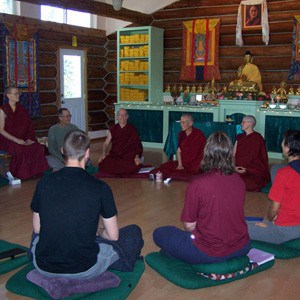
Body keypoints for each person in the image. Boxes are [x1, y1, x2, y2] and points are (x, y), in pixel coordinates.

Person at [30, 130, 143, 279]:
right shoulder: (101, 187)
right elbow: (113, 236)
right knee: (133, 232)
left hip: (43, 266)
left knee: (37, 236)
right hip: (84, 269)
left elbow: (38, 228)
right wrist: (98, 232)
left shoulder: (43, 183)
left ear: (63, 151)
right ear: (87, 153)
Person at [153, 132, 250, 264]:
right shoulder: (239, 181)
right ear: (230, 153)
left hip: (209, 252)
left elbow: (189, 225)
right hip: (242, 247)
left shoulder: (198, 183)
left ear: (206, 153)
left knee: (160, 233)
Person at [247, 130, 300, 244]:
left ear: (288, 147)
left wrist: (267, 221)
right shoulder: (284, 171)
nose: (281, 144)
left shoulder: (284, 173)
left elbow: (274, 209)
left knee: (238, 228)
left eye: (283, 141)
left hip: (285, 230)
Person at [0, 86, 49, 180]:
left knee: (37, 147)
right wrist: (17, 140)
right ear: (8, 95)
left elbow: (29, 126)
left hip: (22, 137)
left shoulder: (21, 109)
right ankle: (21, 174)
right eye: (15, 93)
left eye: (18, 93)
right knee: (20, 150)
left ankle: (36, 172)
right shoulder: (2, 110)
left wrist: (30, 138)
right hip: (7, 139)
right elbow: (1, 130)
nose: (18, 95)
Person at [153, 114, 206, 180]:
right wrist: (180, 165)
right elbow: (178, 151)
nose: (181, 124)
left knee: (194, 171)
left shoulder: (198, 135)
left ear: (190, 123)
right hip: (183, 162)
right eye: (180, 122)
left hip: (195, 163)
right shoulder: (181, 134)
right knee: (164, 167)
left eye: (183, 122)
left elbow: (202, 153)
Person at [98, 108, 143, 175]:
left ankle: (139, 161)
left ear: (127, 117)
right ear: (117, 117)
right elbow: (106, 144)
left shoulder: (132, 129)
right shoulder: (113, 128)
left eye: (124, 115)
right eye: (120, 115)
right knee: (102, 163)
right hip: (115, 155)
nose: (122, 117)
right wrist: (103, 154)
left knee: (135, 165)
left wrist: (137, 157)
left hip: (128, 156)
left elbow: (137, 145)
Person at [234, 115, 270, 192]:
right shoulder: (239, 137)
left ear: (250, 123)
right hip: (237, 169)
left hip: (252, 171)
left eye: (243, 122)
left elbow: (260, 159)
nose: (241, 124)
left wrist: (246, 169)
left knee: (253, 184)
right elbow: (233, 154)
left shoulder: (257, 138)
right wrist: (234, 168)